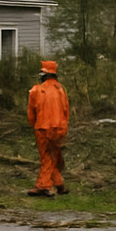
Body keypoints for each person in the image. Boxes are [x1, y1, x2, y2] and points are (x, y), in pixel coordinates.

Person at [26, 60, 69, 196]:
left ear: (44, 75)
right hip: (59, 128)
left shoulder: (36, 90)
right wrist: (63, 129)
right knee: (53, 157)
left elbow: (31, 114)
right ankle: (59, 184)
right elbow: (66, 112)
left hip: (43, 128)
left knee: (46, 157)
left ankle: (43, 185)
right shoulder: (61, 90)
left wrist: (35, 125)